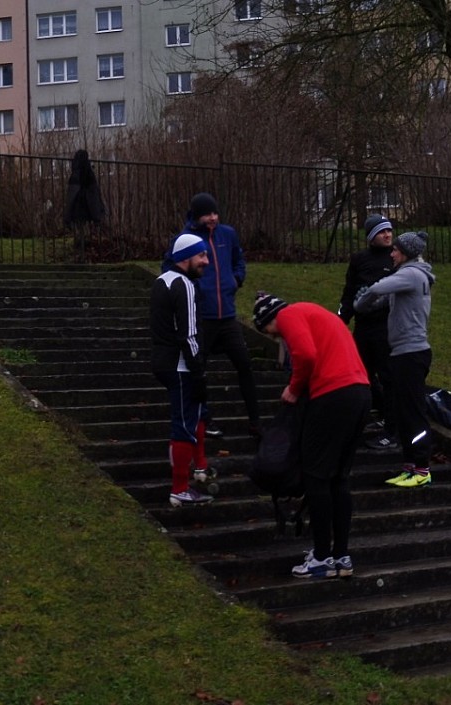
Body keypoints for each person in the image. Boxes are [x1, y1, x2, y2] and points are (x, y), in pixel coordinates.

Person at [253, 292, 371, 578]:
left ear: (268, 320)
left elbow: (306, 354)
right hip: (360, 393)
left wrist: (293, 388)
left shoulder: (289, 315)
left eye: (267, 332)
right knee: (339, 478)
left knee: (317, 476)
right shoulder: (318, 312)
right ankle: (340, 555)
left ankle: (321, 557)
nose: (274, 337)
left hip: (332, 394)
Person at [162, 192, 261, 439]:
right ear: (197, 216)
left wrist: (236, 280)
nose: (213, 218)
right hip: (201, 317)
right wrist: (192, 290)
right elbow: (169, 269)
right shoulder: (185, 239)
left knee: (245, 365)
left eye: (215, 213)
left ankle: (255, 420)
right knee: (198, 370)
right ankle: (204, 419)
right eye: (207, 214)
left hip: (227, 315)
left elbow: (239, 260)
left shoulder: (227, 234)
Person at [354, 231, 435, 488]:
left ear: (407, 253)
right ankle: (410, 466)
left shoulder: (411, 274)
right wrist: (370, 304)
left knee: (413, 413)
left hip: (411, 353)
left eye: (396, 250)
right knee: (403, 412)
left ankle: (422, 469)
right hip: (402, 352)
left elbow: (379, 288)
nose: (391, 253)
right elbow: (385, 299)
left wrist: (361, 303)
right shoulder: (409, 276)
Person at [150, 233, 216, 507]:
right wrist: (198, 370)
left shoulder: (161, 281)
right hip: (181, 366)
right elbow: (188, 334)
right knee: (184, 427)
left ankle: (197, 468)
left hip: (164, 362)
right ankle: (180, 488)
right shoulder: (185, 285)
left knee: (190, 418)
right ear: (186, 257)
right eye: (201, 256)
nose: (206, 261)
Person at [338, 214, 397, 450]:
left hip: (386, 328)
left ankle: (391, 427)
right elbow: (349, 291)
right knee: (360, 375)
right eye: (382, 231)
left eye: (389, 230)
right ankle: (370, 414)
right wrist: (342, 319)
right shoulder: (359, 259)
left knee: (388, 376)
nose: (388, 235)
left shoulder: (396, 257)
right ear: (372, 236)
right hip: (363, 328)